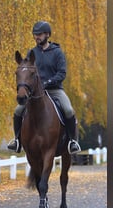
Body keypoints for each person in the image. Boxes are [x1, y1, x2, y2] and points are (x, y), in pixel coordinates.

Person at [7, 21, 81, 154]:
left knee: (69, 110)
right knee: (18, 110)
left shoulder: (57, 52)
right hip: (35, 92)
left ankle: (72, 142)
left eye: (39, 34)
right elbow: (27, 71)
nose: (37, 37)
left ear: (47, 34)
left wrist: (48, 82)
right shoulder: (32, 52)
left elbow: (62, 73)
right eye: (35, 35)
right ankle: (17, 140)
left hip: (55, 90)